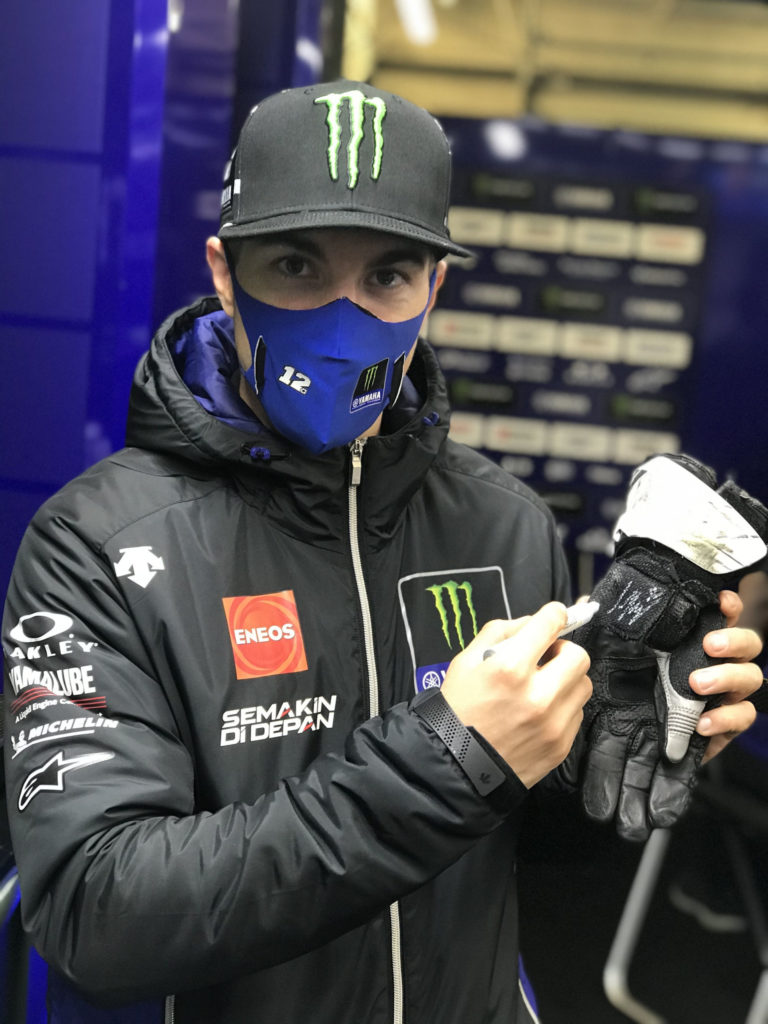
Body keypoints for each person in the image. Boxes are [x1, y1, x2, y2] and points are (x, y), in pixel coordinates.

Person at [2, 79, 763, 1024]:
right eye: (296, 266)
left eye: (388, 277)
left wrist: (599, 748)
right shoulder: (97, 548)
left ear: (434, 287)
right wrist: (454, 752)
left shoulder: (504, 523)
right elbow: (97, 912)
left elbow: (507, 845)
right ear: (225, 270)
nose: (342, 315)